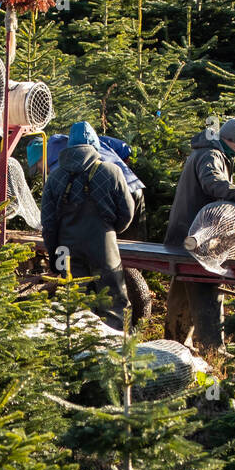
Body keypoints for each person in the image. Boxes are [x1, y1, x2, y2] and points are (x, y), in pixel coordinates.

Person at [164, 117, 235, 352]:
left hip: (185, 234)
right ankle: (211, 350)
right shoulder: (211, 155)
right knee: (206, 286)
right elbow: (211, 181)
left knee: (183, 287)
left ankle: (173, 343)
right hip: (197, 239)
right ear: (232, 140)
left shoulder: (209, 150)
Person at [40, 121, 136, 330]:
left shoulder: (55, 177)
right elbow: (127, 213)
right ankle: (116, 352)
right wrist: (110, 231)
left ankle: (78, 353)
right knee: (113, 303)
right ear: (94, 145)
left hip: (67, 249)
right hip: (104, 246)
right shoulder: (112, 172)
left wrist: (54, 254)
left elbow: (48, 223)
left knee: (74, 303)